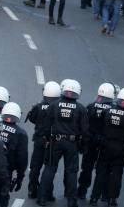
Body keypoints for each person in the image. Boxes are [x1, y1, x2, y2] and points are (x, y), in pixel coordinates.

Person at [38, 79, 89, 207]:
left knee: (50, 168)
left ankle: (42, 198)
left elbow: (46, 125)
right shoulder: (81, 109)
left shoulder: (54, 105)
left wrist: (46, 139)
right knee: (71, 171)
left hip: (55, 141)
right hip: (72, 143)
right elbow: (85, 131)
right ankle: (71, 201)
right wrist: (83, 146)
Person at [91, 88, 124, 206]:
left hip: (105, 146)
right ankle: (112, 199)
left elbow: (101, 127)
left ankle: (94, 198)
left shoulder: (108, 111)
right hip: (121, 148)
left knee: (101, 173)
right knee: (116, 174)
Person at [77, 83, 115, 201]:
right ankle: (103, 195)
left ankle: (82, 191)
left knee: (87, 167)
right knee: (103, 169)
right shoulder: (113, 109)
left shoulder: (90, 106)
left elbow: (84, 125)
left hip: (91, 141)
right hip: (105, 143)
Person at [26, 81, 61, 200]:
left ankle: (32, 190)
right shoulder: (58, 107)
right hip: (52, 141)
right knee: (49, 168)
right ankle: (47, 193)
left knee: (35, 166)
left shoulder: (37, 106)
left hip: (39, 140)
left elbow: (32, 119)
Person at [0, 102, 29, 207]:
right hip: (5, 172)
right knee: (2, 197)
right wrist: (20, 177)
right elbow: (22, 158)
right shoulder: (21, 134)